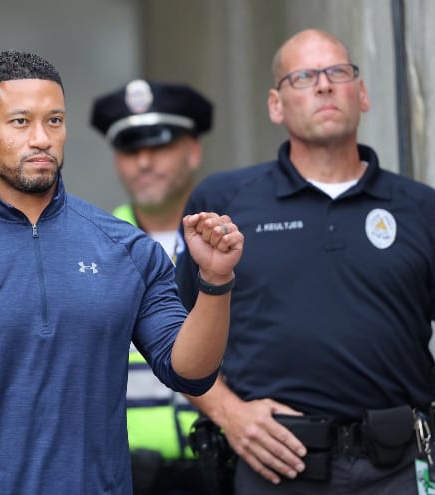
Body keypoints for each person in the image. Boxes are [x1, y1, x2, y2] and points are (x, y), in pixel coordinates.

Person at [0, 50, 244, 494]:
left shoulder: (127, 249)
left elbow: (189, 372)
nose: (42, 138)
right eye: (20, 122)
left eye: (55, 121)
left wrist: (215, 281)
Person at [176, 28, 435, 495]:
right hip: (275, 467)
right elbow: (173, 331)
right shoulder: (224, 201)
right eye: (304, 77)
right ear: (276, 104)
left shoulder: (420, 208)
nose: (323, 85)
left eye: (338, 72)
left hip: (399, 469)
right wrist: (228, 414)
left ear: (363, 93)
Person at [91, 80, 214, 494]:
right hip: (124, 476)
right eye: (129, 150)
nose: (144, 162)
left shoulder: (227, 239)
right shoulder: (92, 247)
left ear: (194, 151)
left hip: (221, 465)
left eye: (159, 146)